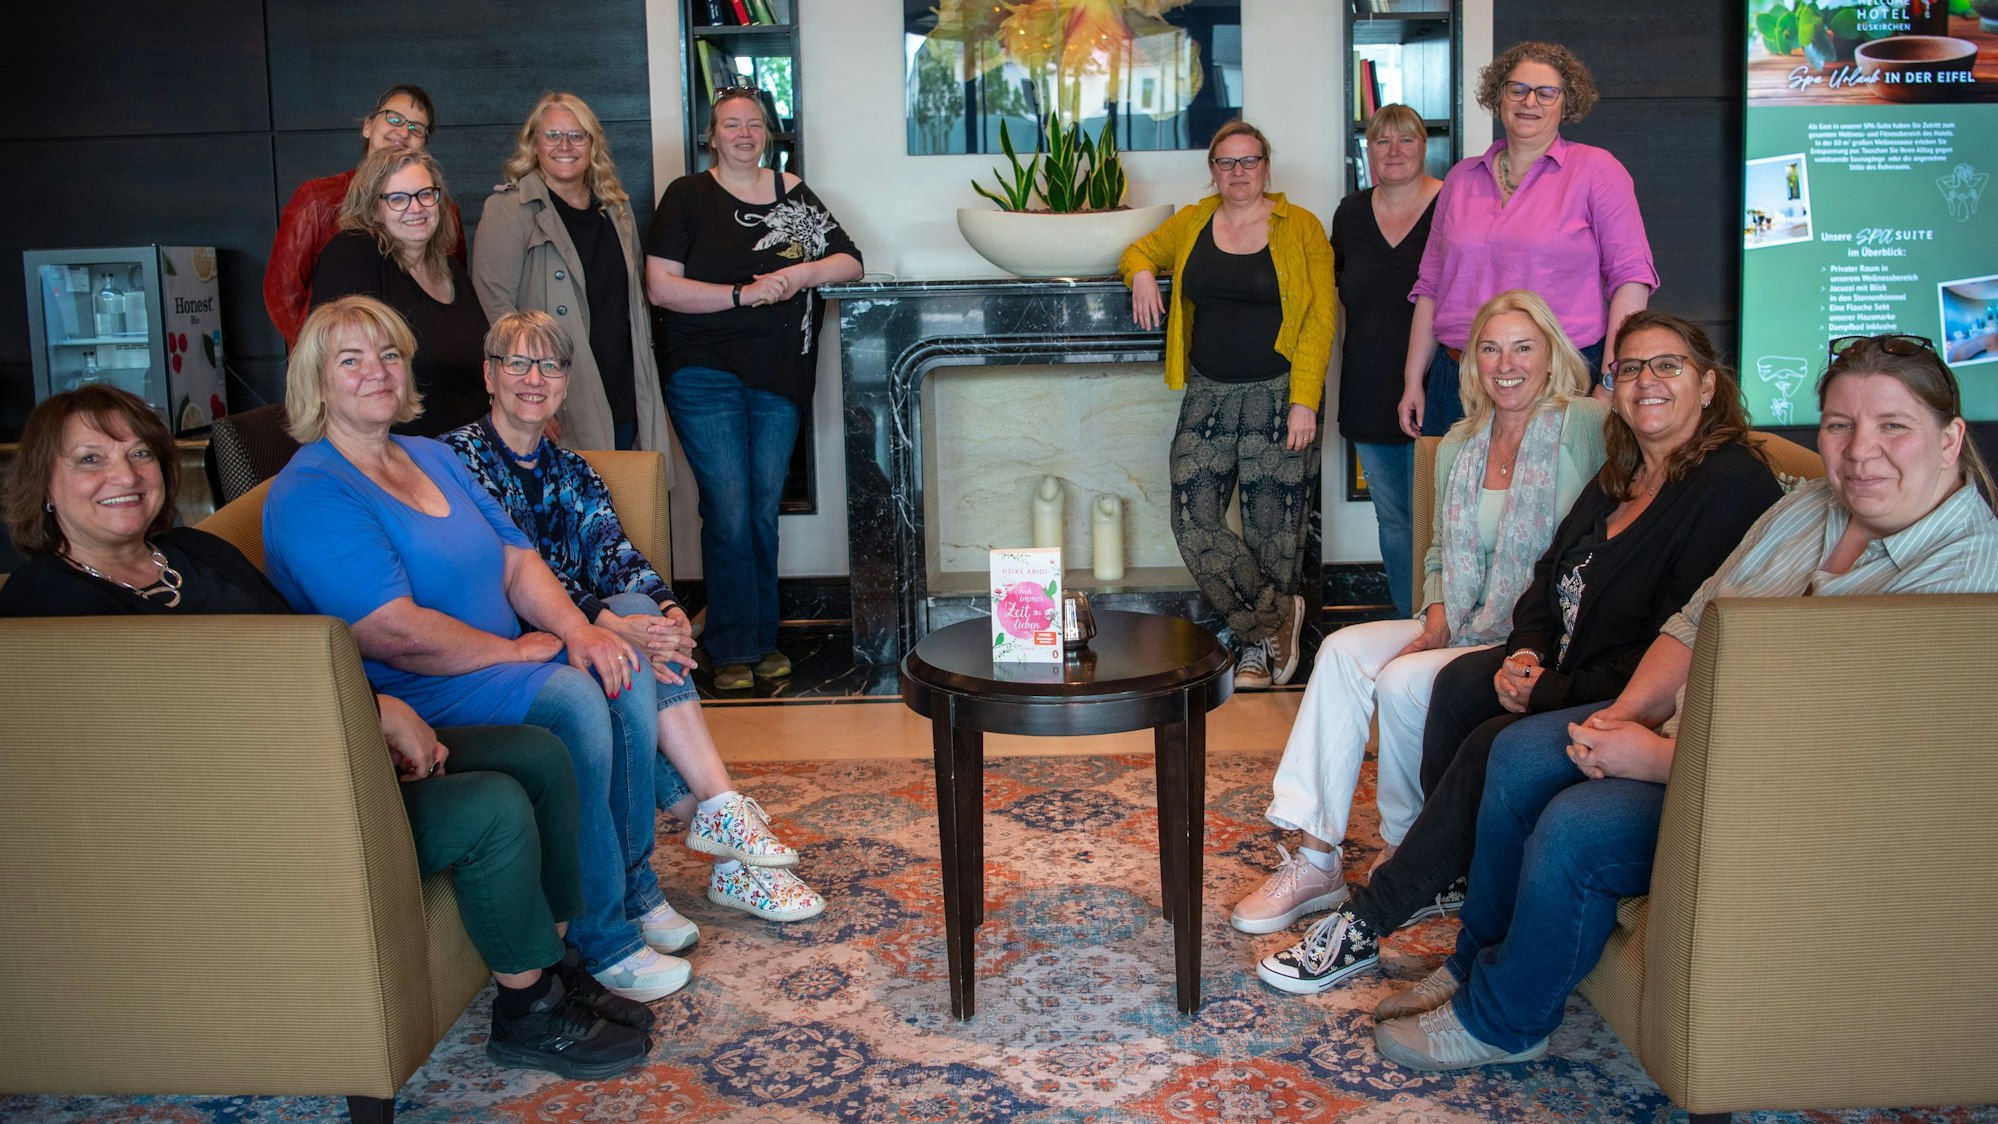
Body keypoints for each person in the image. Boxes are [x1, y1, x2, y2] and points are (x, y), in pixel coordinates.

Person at [1371, 332, 1998, 1071]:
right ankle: (1475, 959)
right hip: (1698, 737)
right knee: (1517, 751)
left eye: (1893, 425)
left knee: (1575, 828)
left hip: (1790, 803)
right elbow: (1696, 618)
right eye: (1840, 425)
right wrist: (1623, 716)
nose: (1861, 451)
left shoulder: (1961, 574)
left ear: (1951, 437)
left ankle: (1504, 1023)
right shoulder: (1809, 511)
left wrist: (1659, 758)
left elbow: (1848, 762)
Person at [0, 385, 652, 1079]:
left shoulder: (192, 553)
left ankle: (554, 966)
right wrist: (371, 720)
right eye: (90, 460)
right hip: (260, 812)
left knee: (537, 755)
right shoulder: (49, 604)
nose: (124, 476)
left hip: (326, 754)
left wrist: (375, 712)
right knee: (492, 805)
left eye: (137, 454)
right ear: (44, 482)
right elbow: (157, 738)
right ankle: (528, 1015)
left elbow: (302, 647)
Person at [1255, 310, 1784, 998]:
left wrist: (1546, 692)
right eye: (1632, 368)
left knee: (1491, 745)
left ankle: (1366, 921)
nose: (1647, 382)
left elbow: (1674, 648)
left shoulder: (1726, 485)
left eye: (1668, 366)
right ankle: (1457, 872)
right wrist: (1526, 652)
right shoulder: (1626, 467)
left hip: (1635, 697)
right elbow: (1550, 573)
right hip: (1561, 662)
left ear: (1709, 386)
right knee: (1460, 689)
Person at [260, 296, 691, 1003]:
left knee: (618, 663)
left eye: (390, 355)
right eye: (351, 360)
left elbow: (519, 561)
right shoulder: (313, 488)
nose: (377, 371)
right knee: (577, 700)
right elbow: (390, 631)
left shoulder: (431, 455)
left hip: (493, 657)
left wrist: (581, 631)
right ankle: (604, 938)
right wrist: (512, 651)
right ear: (316, 381)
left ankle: (634, 889)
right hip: (418, 687)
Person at [1230, 289, 1604, 936]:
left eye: (1523, 347)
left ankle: (1412, 851)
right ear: (1472, 362)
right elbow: (1435, 552)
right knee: (1345, 650)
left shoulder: (1583, 425)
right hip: (1462, 615)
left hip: (1538, 634)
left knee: (1405, 679)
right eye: (1490, 349)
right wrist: (1433, 618)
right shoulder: (1459, 444)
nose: (1505, 363)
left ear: (1551, 356)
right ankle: (1316, 854)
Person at [444, 311, 825, 925]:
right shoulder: (458, 460)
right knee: (627, 646)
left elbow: (614, 553)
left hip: (585, 634)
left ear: (566, 381)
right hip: (505, 637)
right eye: (517, 363)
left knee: (640, 623)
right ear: (490, 375)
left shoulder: (572, 471)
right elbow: (506, 564)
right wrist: (604, 621)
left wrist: (668, 612)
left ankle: (726, 835)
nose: (533, 378)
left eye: (550, 365)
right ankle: (722, 845)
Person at [644, 87, 863, 692]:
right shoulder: (686, 196)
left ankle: (761, 640)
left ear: (768, 132)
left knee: (762, 510)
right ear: (711, 136)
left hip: (779, 373)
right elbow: (661, 287)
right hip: (703, 367)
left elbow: (850, 261)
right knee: (729, 504)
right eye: (730, 125)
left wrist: (796, 275)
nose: (744, 134)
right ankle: (731, 645)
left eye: (754, 125)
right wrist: (740, 295)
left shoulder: (790, 192)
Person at [1120, 119, 1337, 689]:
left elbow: (1319, 320)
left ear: (1266, 167)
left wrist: (1304, 401)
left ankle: (1256, 651)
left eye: (1249, 161)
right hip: (1208, 393)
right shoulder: (1192, 221)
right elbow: (1139, 247)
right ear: (1212, 170)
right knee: (1192, 519)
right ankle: (1274, 619)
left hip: (1278, 393)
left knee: (1273, 531)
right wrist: (1142, 272)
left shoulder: (1302, 227)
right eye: (1226, 162)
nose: (1238, 172)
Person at [1399, 41, 1656, 439]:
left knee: (1552, 502)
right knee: (1449, 500)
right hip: (1458, 380)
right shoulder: (1460, 179)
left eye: (1546, 92)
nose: (1529, 101)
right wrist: (1414, 378)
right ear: (1498, 96)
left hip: (1558, 380)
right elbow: (1431, 285)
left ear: (1565, 102)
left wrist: (1611, 382)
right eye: (1516, 89)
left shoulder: (1596, 170)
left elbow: (1631, 279)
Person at [472, 93, 670, 454]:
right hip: (556, 396)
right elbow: (495, 312)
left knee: (627, 505)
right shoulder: (509, 209)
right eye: (553, 136)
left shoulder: (615, 209)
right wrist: (528, 394)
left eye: (577, 136)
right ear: (534, 143)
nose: (565, 145)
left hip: (624, 391)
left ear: (592, 144)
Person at [1332, 105, 1445, 619]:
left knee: (1448, 516)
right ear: (1369, 150)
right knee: (1396, 518)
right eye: (1382, 141)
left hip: (1443, 383)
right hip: (1369, 383)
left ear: (1424, 145)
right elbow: (1336, 295)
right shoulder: (1350, 213)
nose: (1395, 151)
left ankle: (1452, 626)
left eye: (1407, 140)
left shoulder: (1452, 203)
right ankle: (1409, 624)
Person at [263, 84, 465, 347]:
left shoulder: (442, 211)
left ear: (424, 147)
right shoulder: (316, 198)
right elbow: (282, 293)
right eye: (394, 118)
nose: (403, 131)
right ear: (367, 126)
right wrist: (327, 356)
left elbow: (452, 288)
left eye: (416, 128)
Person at [308, 149, 488, 437]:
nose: (416, 208)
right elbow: (342, 377)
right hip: (399, 455)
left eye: (425, 194)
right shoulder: (353, 252)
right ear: (373, 207)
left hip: (469, 450)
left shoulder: (450, 268)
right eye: (398, 199)